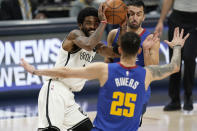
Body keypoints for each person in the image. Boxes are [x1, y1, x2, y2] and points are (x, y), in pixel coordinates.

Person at [21, 27, 189, 131]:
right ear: (139, 51)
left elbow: (65, 72)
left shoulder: (104, 70)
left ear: (120, 49)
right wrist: (177, 47)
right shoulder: (147, 74)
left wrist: (35, 71)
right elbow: (175, 66)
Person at [20, 4, 117, 130]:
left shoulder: (95, 44)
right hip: (55, 89)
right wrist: (104, 22)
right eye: (88, 23)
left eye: (96, 23)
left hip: (68, 95)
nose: (93, 26)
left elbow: (111, 52)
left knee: (86, 128)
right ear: (80, 25)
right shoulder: (75, 35)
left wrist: (129, 41)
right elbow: (88, 44)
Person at [105, 0, 160, 126]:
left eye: (138, 14)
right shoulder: (113, 35)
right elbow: (108, 62)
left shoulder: (150, 39)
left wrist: (145, 50)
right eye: (131, 13)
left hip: (138, 87)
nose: (134, 17)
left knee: (128, 124)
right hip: (116, 86)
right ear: (125, 14)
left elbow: (153, 70)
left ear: (143, 17)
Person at [155, 0, 197, 111]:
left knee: (189, 57)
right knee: (175, 59)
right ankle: (175, 100)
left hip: (194, 20)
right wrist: (160, 21)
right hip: (177, 18)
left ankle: (188, 96)